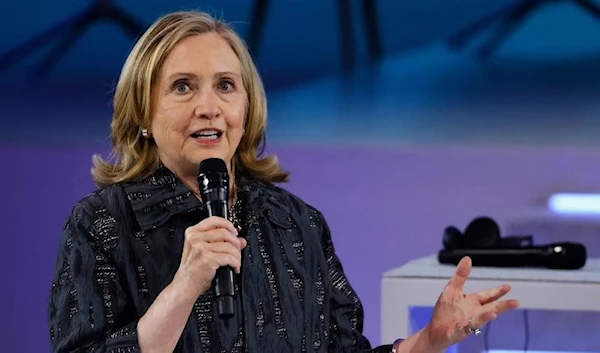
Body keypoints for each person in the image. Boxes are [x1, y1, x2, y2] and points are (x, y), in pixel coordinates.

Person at [47, 10, 520, 353]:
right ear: (143, 112)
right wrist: (185, 285)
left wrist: (427, 342)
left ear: (247, 109)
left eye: (226, 86)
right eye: (183, 86)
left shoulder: (297, 224)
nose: (208, 106)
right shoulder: (102, 224)